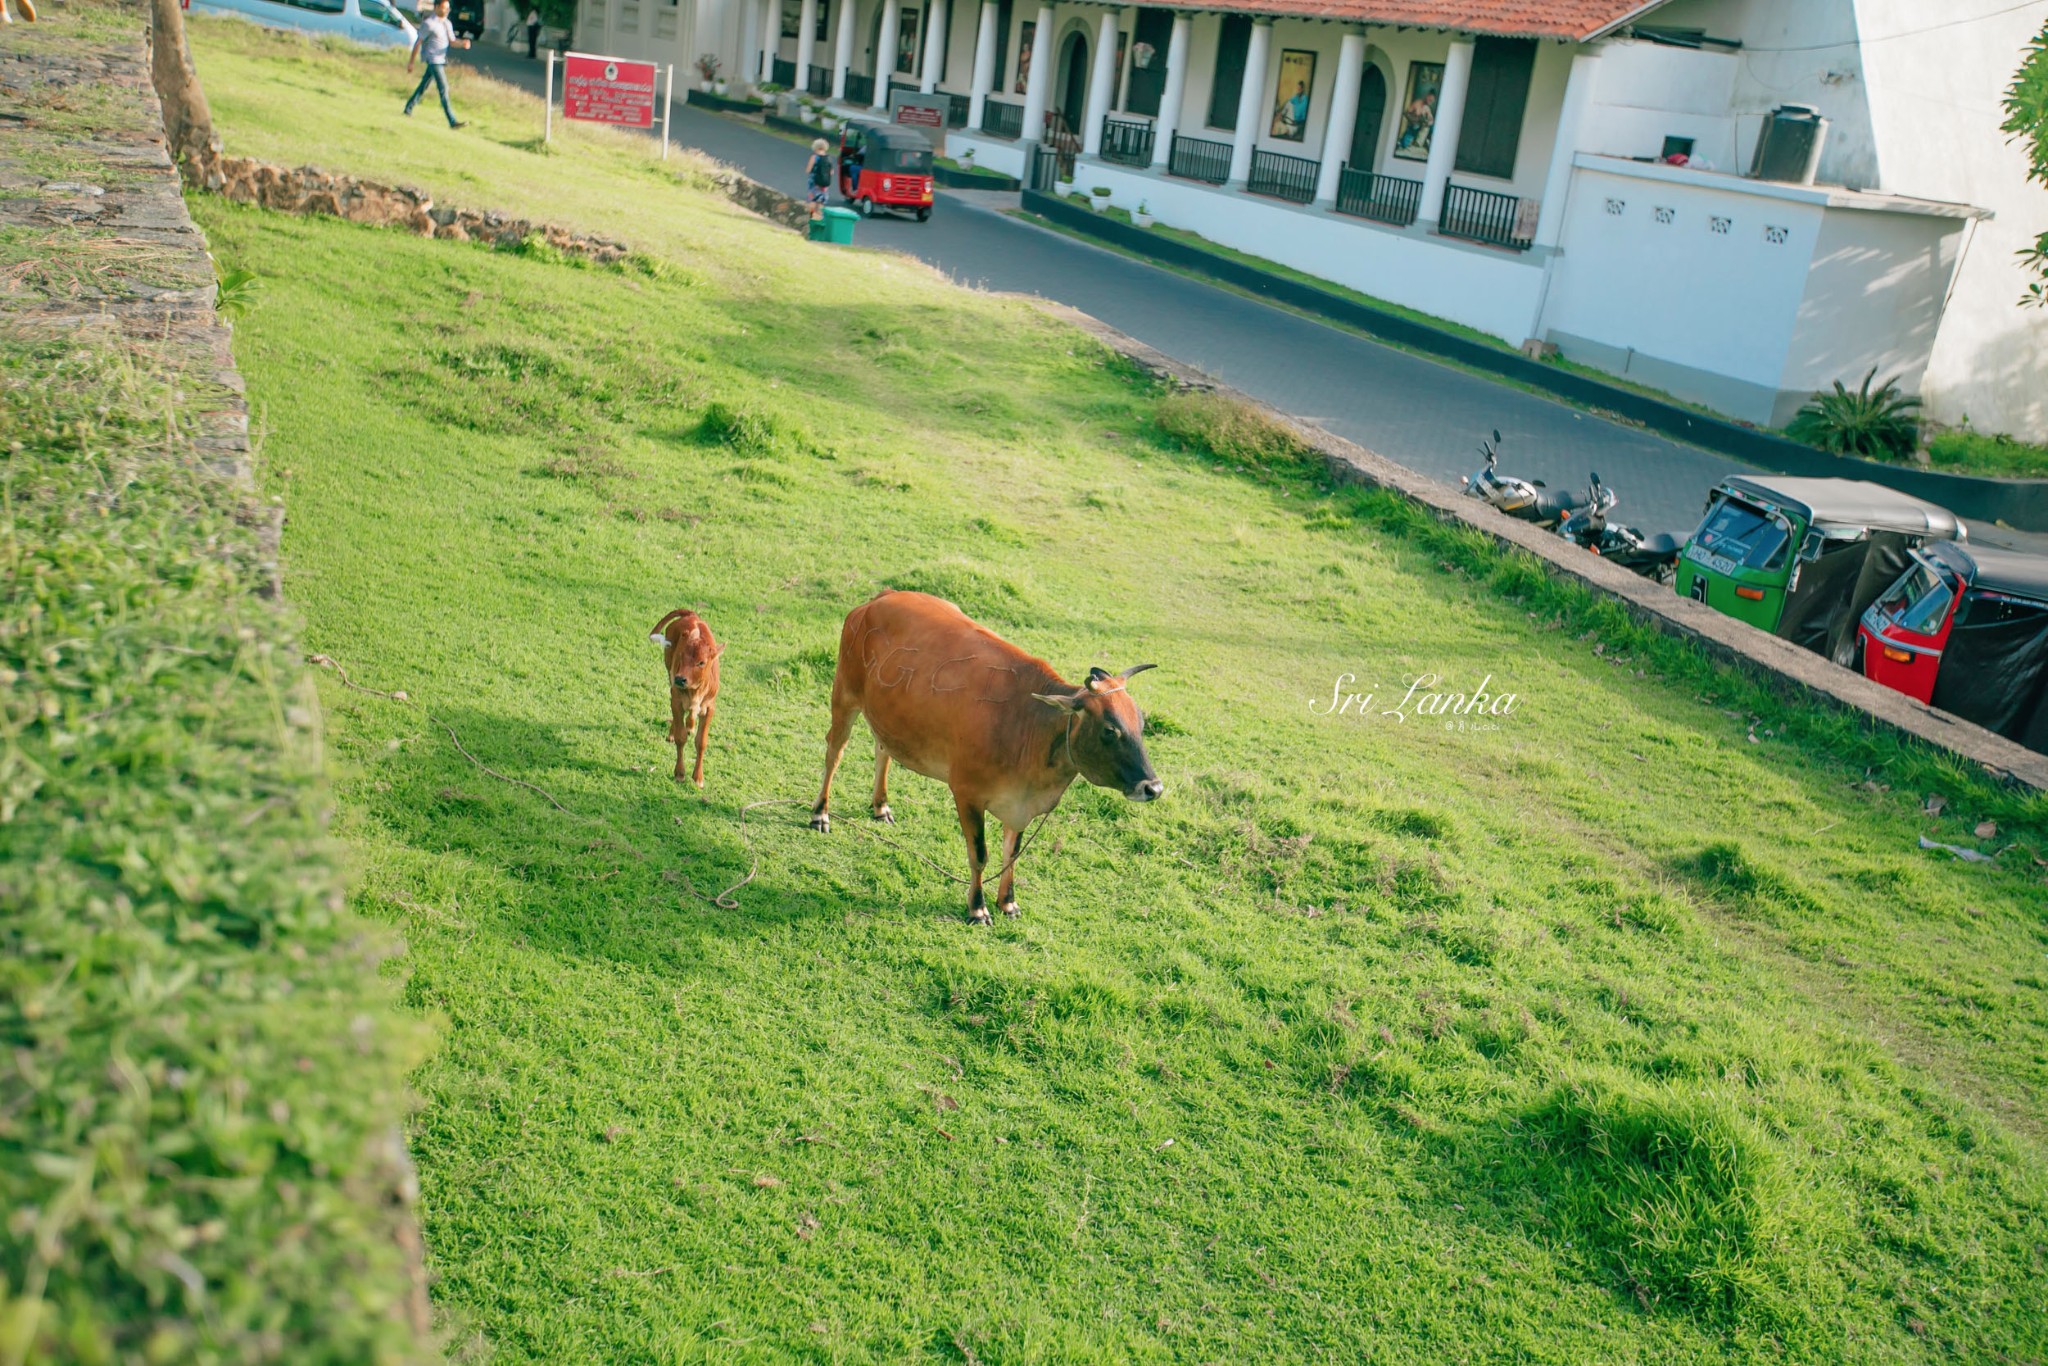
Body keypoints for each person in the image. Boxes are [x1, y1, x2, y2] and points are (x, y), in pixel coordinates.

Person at [404, 0, 471, 129]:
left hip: (440, 59)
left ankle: (408, 108)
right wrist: (411, 62)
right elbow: (418, 43)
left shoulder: (447, 23)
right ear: (436, 7)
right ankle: (452, 121)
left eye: (448, 8)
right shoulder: (429, 24)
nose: (447, 10)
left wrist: (462, 44)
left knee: (423, 86)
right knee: (444, 88)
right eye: (444, 8)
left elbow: (452, 41)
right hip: (433, 60)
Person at [806, 137, 832, 221]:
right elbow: (831, 172)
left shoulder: (814, 157)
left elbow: (808, 170)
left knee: (812, 200)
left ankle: (811, 217)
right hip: (824, 183)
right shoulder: (828, 158)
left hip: (814, 181)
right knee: (821, 201)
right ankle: (819, 218)